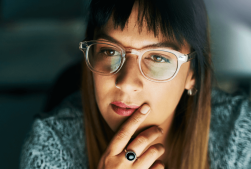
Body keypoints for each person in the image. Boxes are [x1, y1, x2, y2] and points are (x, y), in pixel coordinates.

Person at [19, 0, 251, 168]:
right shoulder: (50, 146)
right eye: (109, 51)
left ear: (193, 74)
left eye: (158, 57)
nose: (127, 83)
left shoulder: (239, 135)